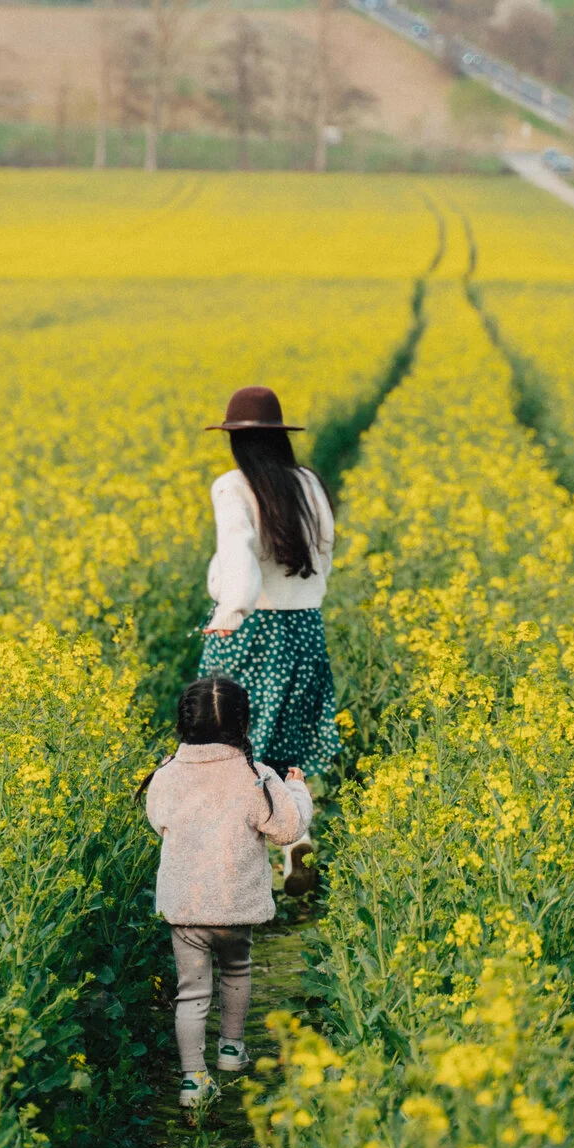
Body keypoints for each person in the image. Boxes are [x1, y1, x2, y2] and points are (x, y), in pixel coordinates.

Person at [145, 676, 307, 1107]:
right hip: (236, 907)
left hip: (188, 910)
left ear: (184, 723)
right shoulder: (256, 776)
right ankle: (232, 1050)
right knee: (237, 971)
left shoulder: (166, 774)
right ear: (244, 724)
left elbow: (158, 820)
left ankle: (192, 1080)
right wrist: (298, 790)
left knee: (192, 992)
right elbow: (288, 828)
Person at [199, 384, 340, 802]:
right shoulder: (309, 483)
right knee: (288, 739)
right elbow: (325, 549)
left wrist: (230, 611)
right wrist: (308, 595)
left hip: (251, 628)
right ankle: (296, 840)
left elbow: (238, 552)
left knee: (230, 736)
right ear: (280, 436)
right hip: (303, 627)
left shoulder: (232, 485)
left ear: (236, 440)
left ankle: (241, 840)